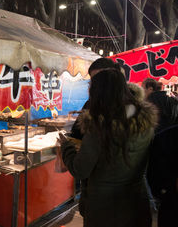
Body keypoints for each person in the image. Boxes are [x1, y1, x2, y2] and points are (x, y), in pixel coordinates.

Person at [58, 69, 157, 227]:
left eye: (91, 85)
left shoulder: (99, 126)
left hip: (105, 209)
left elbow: (80, 170)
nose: (89, 89)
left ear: (99, 91)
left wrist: (66, 147)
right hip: (137, 202)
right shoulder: (145, 123)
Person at [70, 58, 120, 140]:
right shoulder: (90, 104)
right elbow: (76, 134)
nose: (93, 86)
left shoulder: (132, 111)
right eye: (92, 81)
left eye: (99, 80)